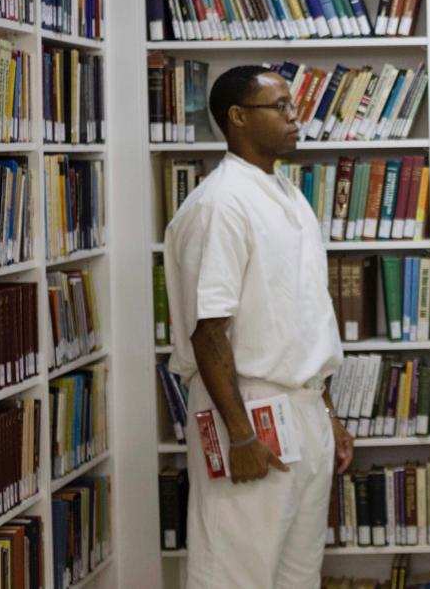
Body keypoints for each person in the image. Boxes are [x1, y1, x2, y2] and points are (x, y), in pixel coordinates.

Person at [163, 65, 355, 589]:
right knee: (236, 573)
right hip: (249, 410)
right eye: (281, 106)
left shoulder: (288, 194)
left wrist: (328, 414)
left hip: (304, 408)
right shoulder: (219, 204)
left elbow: (303, 318)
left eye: (293, 105)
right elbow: (208, 332)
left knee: (298, 575)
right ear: (238, 117)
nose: (295, 117)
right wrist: (241, 434)